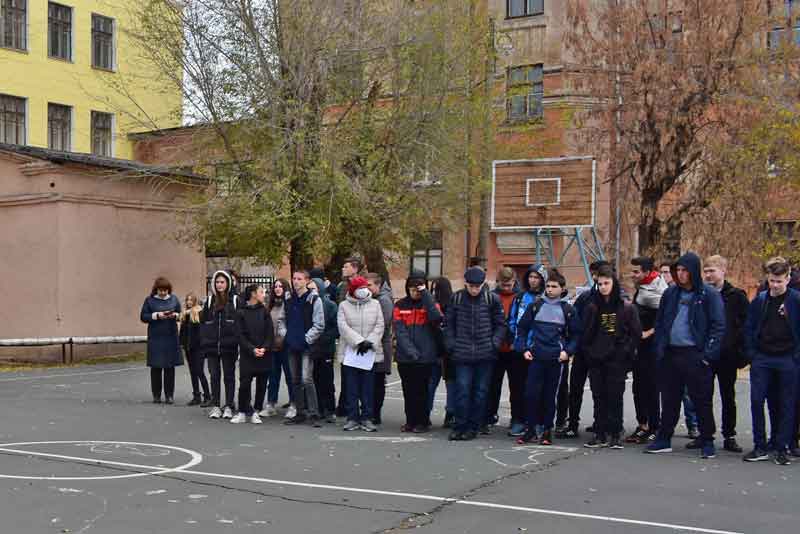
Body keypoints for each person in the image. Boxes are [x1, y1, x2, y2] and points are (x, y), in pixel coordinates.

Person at [647, 252, 725, 459]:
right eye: (678, 270)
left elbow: (718, 326)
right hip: (671, 354)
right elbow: (661, 321)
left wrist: (707, 355)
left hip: (695, 354)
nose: (680, 275)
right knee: (670, 398)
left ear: (693, 272)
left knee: (701, 400)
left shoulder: (708, 294)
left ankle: (707, 440)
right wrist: (660, 347)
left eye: (684, 270)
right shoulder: (671, 293)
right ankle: (664, 438)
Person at [743, 257, 800, 466]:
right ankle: (760, 446)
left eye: (779, 281)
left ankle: (782, 446)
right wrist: (752, 353)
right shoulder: (760, 299)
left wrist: (796, 356)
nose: (775, 285)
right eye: (772, 281)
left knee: (787, 403)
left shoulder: (795, 300)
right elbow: (749, 327)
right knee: (757, 401)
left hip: (788, 358)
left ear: (787, 279)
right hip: (763, 357)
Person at [516, 270, 580, 446]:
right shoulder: (536, 306)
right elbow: (521, 329)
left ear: (562, 289)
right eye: (548, 286)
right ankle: (530, 429)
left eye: (554, 286)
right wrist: (523, 349)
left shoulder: (567, 309)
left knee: (549, 396)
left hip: (555, 360)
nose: (550, 289)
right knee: (530, 394)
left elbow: (576, 335)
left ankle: (546, 431)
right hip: (536, 357)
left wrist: (567, 352)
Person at [580, 267, 642, 449]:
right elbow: (587, 333)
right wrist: (589, 353)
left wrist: (625, 353)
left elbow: (635, 333)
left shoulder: (626, 307)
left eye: (607, 283)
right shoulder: (593, 306)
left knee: (615, 397)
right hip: (597, 359)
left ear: (614, 284)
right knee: (599, 396)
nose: (603, 287)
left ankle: (615, 433)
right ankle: (599, 433)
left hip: (617, 359)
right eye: (600, 284)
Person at [445, 267, 506, 441]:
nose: (474, 289)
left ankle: (473, 426)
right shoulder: (456, 299)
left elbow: (501, 324)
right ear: (466, 284)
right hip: (462, 354)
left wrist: (493, 344)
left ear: (483, 284)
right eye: (471, 286)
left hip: (485, 354)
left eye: (478, 286)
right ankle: (459, 425)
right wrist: (451, 345)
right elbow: (448, 324)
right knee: (462, 391)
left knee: (480, 392)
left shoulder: (491, 299)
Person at [700, 255, 748, 453]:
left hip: (727, 354)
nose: (709, 275)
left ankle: (729, 434)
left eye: (713, 270)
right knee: (704, 396)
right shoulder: (701, 294)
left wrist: (742, 354)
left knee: (728, 395)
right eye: (706, 271)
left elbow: (745, 326)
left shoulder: (736, 296)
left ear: (723, 271)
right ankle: (706, 434)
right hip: (706, 353)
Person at [560, 260, 610, 438]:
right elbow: (574, 320)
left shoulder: (613, 299)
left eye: (600, 276)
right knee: (575, 388)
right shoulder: (585, 297)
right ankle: (572, 423)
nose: (596, 279)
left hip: (599, 351)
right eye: (595, 275)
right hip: (582, 349)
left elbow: (612, 328)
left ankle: (601, 424)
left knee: (600, 390)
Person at [394, 270, 444, 433]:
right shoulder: (400, 305)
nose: (415, 292)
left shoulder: (430, 304)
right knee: (408, 391)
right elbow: (400, 331)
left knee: (422, 391)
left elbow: (437, 318)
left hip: (426, 357)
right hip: (406, 357)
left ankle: (422, 421)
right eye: (412, 288)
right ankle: (410, 421)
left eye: (418, 288)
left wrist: (426, 295)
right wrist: (411, 351)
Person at [627, 256, 669, 443]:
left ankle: (654, 426)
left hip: (653, 347)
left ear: (646, 271)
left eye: (636, 272)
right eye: (632, 271)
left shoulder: (658, 290)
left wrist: (648, 332)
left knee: (651, 388)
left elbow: (666, 318)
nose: (632, 275)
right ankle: (642, 424)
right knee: (638, 387)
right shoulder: (642, 288)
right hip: (639, 347)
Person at [337, 276, 385, 432]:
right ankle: (352, 417)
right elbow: (343, 326)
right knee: (351, 387)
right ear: (353, 290)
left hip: (369, 353)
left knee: (368, 387)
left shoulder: (375, 304)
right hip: (350, 352)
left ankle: (367, 417)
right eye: (360, 288)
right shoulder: (344, 306)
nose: (364, 290)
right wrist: (358, 342)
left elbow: (380, 325)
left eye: (365, 287)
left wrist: (370, 342)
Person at [506, 264, 548, 437]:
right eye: (530, 276)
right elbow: (512, 321)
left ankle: (537, 421)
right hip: (520, 349)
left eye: (536, 277)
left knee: (538, 388)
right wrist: (515, 341)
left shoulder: (547, 298)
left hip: (540, 348)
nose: (533, 280)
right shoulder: (520, 297)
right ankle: (518, 420)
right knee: (517, 387)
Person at [284, 270, 325, 426]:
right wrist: (286, 336)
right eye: (294, 278)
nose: (295, 281)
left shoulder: (314, 299)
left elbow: (319, 325)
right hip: (291, 344)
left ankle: (314, 413)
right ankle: (300, 412)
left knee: (306, 379)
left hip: (306, 345)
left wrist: (306, 339)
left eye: (299, 279)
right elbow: (282, 320)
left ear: (307, 281)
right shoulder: (289, 299)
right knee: (295, 380)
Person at [200, 270, 241, 419]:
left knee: (229, 376)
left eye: (222, 282)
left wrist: (236, 341)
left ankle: (229, 405)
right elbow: (204, 323)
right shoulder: (210, 301)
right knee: (214, 376)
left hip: (229, 346)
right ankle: (216, 406)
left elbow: (240, 323)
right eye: (217, 282)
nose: (219, 285)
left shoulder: (235, 300)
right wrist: (205, 340)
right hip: (212, 346)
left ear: (228, 283)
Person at [231, 284, 274, 424]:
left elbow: (270, 333)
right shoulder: (241, 312)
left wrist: (264, 348)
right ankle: (243, 411)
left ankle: (256, 411)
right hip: (247, 355)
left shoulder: (265, 311)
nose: (264, 294)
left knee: (262, 384)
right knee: (244, 384)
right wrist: (251, 349)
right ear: (254, 294)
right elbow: (240, 335)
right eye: (262, 292)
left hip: (264, 354)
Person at [140, 277, 183, 405]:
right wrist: (156, 315)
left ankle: (169, 395)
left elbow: (180, 314)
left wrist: (175, 315)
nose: (163, 293)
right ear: (156, 289)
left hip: (171, 336)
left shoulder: (174, 299)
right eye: (160, 290)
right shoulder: (149, 300)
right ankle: (156, 395)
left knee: (170, 368)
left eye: (165, 290)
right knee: (156, 367)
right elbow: (143, 316)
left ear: (168, 290)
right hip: (156, 337)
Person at [487, 267, 520, 431]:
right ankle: (490, 415)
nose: (507, 288)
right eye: (504, 285)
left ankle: (516, 417)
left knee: (516, 386)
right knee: (492, 385)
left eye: (510, 285)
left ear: (514, 282)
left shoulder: (520, 297)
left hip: (514, 348)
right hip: (495, 347)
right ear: (498, 282)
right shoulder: (492, 297)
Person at [336, 256, 364, 417]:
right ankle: (345, 404)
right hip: (345, 332)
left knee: (359, 373)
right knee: (346, 371)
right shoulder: (342, 286)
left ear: (354, 268)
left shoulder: (362, 284)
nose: (343, 269)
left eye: (346, 266)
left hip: (360, 332)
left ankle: (356, 405)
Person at [309, 277, 339, 424]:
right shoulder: (307, 305)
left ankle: (330, 409)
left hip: (326, 348)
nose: (312, 291)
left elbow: (336, 328)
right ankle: (317, 408)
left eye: (314, 288)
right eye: (310, 288)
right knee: (313, 379)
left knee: (326, 380)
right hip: (311, 348)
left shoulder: (330, 305)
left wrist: (323, 337)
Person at [367, 273, 394, 425]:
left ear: (378, 285)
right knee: (372, 380)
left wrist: (369, 338)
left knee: (377, 381)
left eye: (370, 285)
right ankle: (371, 410)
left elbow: (383, 325)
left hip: (381, 346)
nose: (367, 288)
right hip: (374, 345)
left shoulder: (384, 300)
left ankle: (375, 413)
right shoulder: (375, 298)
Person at [264, 278, 292, 417]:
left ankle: (294, 404)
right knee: (273, 377)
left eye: (281, 286)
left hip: (286, 346)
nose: (278, 288)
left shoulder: (289, 304)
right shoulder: (271, 306)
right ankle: (270, 404)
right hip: (272, 347)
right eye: (275, 286)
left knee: (290, 376)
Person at [430, 277, 454, 427]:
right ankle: (450, 414)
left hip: (435, 350)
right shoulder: (454, 304)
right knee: (452, 385)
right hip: (450, 352)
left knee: (431, 383)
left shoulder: (434, 306)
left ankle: (426, 412)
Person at [179, 293, 211, 407]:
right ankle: (196, 396)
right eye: (187, 300)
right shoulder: (185, 315)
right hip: (189, 348)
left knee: (199, 372)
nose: (189, 302)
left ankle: (208, 396)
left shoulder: (199, 313)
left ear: (195, 301)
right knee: (193, 372)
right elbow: (182, 332)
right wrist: (182, 343)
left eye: (191, 300)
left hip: (199, 348)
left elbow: (203, 331)